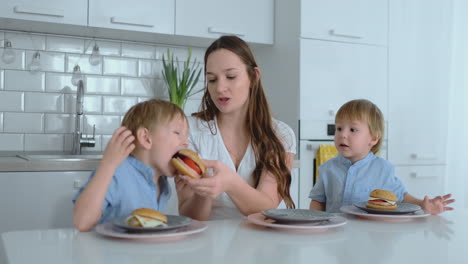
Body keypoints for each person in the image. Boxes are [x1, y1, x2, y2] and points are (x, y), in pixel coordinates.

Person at [176, 35, 296, 220]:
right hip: (205, 244)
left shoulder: (281, 134)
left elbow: (266, 206)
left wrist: (229, 183)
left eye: (231, 77)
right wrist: (204, 191)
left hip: (260, 244)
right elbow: (189, 215)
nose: (220, 88)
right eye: (212, 80)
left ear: (254, 77)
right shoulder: (188, 130)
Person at [309, 99, 455, 214]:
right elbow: (318, 201)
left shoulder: (383, 169)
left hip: (370, 236)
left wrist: (424, 204)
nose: (342, 134)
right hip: (336, 237)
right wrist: (314, 223)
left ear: (373, 138)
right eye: (339, 128)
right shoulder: (327, 169)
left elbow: (402, 197)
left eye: (353, 129)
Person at [73, 99, 189, 231]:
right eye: (178, 133)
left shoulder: (162, 183)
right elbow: (81, 222)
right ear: (146, 138)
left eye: (186, 136)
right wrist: (108, 165)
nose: (186, 143)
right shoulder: (117, 172)